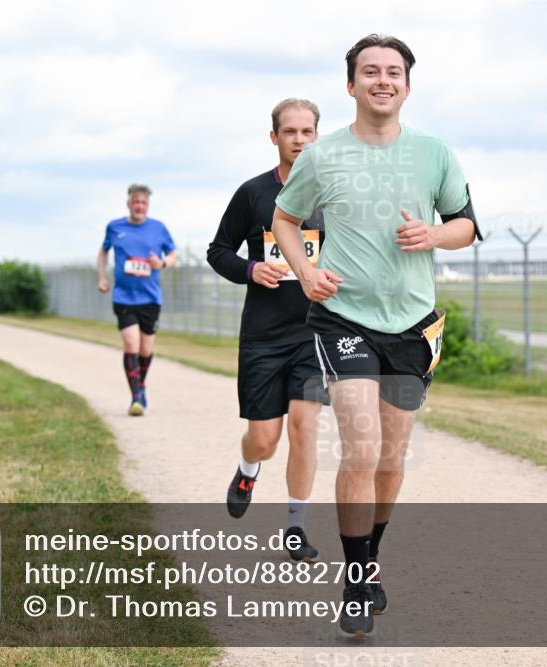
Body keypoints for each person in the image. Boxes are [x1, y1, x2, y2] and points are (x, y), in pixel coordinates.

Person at [272, 34, 481, 638]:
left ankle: (369, 559)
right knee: (361, 448)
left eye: (393, 71)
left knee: (391, 457)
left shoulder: (435, 153)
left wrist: (435, 237)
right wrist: (307, 272)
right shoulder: (321, 156)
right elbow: (285, 219)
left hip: (412, 324)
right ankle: (357, 578)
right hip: (343, 318)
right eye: (370, 71)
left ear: (407, 86)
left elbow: (467, 225)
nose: (382, 80)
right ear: (351, 85)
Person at [207, 98, 329, 562]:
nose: (299, 140)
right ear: (274, 137)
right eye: (290, 132)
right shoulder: (253, 193)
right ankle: (246, 471)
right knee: (265, 439)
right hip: (262, 334)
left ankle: (296, 526)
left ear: (318, 136)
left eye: (307, 132)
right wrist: (251, 269)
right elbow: (219, 251)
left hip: (314, 333)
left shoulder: (332, 194)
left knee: (304, 428)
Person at [97, 184, 178, 416]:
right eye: (136, 202)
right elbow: (103, 251)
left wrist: (161, 263)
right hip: (123, 296)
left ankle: (141, 385)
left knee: (145, 349)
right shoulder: (115, 227)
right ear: (128, 204)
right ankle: (137, 397)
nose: (139, 206)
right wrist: (102, 277)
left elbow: (173, 255)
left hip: (151, 297)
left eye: (143, 203)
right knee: (131, 343)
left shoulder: (158, 228)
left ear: (147, 205)